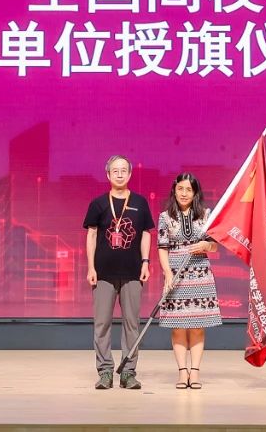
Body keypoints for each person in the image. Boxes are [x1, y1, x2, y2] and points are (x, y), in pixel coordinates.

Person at [83, 154, 155, 390]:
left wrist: (145, 262)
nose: (120, 174)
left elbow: (146, 234)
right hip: (103, 273)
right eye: (115, 170)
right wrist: (91, 267)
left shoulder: (140, 203)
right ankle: (105, 371)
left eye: (124, 170)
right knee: (102, 324)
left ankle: (128, 372)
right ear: (108, 175)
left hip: (132, 272)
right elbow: (92, 235)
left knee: (132, 324)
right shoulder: (98, 203)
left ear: (130, 174)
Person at [156, 172, 222, 390]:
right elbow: (162, 248)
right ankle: (182, 372)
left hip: (200, 275)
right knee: (177, 327)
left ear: (195, 193)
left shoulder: (206, 215)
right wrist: (167, 273)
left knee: (197, 327)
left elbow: (215, 246)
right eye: (180, 189)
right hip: (175, 275)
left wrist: (206, 246)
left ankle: (195, 373)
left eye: (188, 190)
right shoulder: (165, 217)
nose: (184, 193)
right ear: (174, 191)